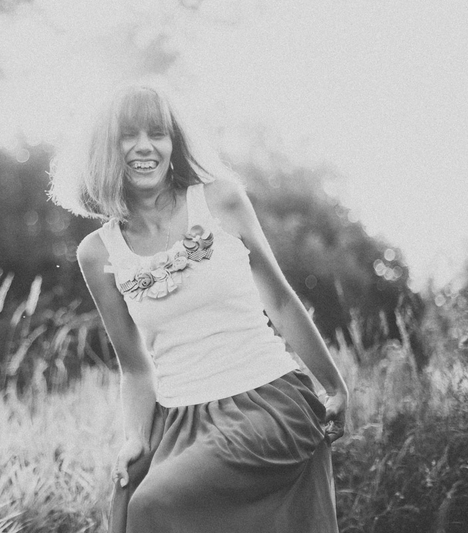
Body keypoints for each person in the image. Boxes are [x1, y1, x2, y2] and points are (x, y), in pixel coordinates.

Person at [49, 84, 348, 533]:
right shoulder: (97, 253)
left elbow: (281, 301)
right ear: (105, 150)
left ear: (174, 143)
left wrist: (335, 386)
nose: (145, 146)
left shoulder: (220, 200)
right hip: (180, 421)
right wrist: (136, 437)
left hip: (266, 401)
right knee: (129, 499)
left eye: (158, 133)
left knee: (153, 505)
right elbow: (135, 368)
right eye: (128, 135)